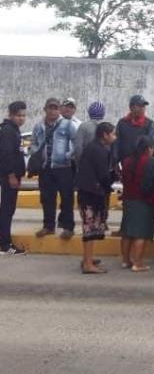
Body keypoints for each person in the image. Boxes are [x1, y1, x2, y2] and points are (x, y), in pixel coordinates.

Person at [32, 97, 76, 240]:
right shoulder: (39, 126)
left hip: (63, 167)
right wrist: (37, 153)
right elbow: (34, 143)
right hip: (45, 168)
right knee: (47, 198)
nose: (53, 110)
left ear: (59, 110)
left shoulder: (67, 125)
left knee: (67, 198)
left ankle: (68, 227)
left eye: (55, 108)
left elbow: (77, 143)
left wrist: (68, 155)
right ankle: (48, 226)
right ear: (45, 109)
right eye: (50, 107)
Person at [75, 122, 116, 274]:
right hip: (91, 194)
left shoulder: (94, 148)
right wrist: (110, 183)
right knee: (90, 229)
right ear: (105, 135)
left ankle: (88, 258)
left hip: (88, 192)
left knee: (90, 228)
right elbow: (103, 175)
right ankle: (87, 263)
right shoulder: (99, 150)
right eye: (112, 133)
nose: (114, 136)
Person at [119, 136, 154, 272]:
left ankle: (126, 260)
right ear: (148, 148)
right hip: (144, 200)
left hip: (128, 199)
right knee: (141, 233)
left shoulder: (127, 161)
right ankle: (138, 262)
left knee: (127, 232)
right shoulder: (152, 162)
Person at [0, 101, 28, 255]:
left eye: (23, 115)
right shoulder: (8, 131)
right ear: (10, 115)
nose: (21, 118)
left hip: (14, 176)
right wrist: (11, 175)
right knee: (7, 209)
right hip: (8, 177)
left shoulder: (14, 130)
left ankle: (3, 241)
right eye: (18, 115)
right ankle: (5, 244)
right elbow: (6, 155)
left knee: (7, 209)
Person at [114, 95, 154, 166]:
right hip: (125, 163)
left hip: (142, 164)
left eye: (144, 106)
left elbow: (151, 143)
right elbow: (116, 143)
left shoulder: (149, 124)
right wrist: (115, 161)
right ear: (131, 107)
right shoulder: (122, 123)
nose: (142, 108)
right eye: (140, 106)